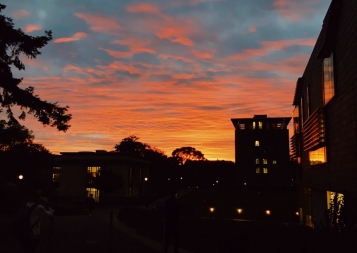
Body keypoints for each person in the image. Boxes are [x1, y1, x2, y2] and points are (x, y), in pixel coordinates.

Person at [20, 189, 54, 253]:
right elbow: (50, 214)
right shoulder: (38, 207)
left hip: (22, 232)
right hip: (33, 234)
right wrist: (47, 204)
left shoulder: (24, 204)